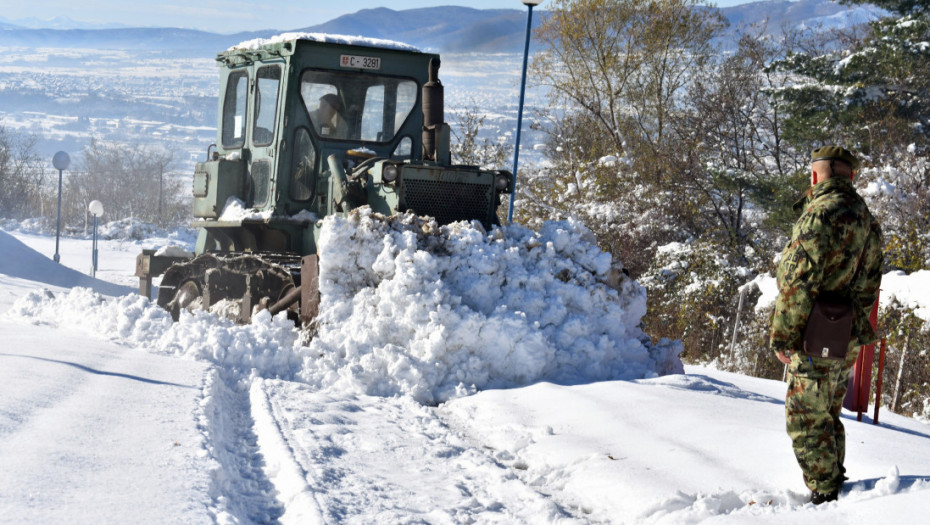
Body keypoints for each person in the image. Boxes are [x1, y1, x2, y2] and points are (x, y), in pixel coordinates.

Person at [770, 145, 883, 505]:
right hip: (844, 336)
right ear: (850, 176)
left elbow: (795, 283)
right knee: (828, 415)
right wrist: (850, 329)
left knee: (805, 417)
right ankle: (834, 488)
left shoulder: (819, 215)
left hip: (812, 337)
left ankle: (825, 496)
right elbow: (870, 283)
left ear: (818, 175)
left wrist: (784, 337)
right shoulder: (866, 218)